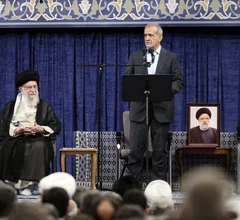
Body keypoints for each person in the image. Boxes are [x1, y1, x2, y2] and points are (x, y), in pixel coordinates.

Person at [125, 23, 184, 181]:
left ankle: (158, 188)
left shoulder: (171, 57)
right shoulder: (135, 56)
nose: (147, 38)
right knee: (136, 152)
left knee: (159, 152)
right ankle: (134, 190)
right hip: (139, 109)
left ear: (160, 37)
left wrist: (163, 90)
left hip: (162, 109)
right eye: (145, 35)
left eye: (150, 35)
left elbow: (179, 82)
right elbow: (127, 80)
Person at [0, 69, 61, 195]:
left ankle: (30, 185)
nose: (33, 90)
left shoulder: (44, 106)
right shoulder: (11, 106)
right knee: (7, 146)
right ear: (21, 89)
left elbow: (55, 125)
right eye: (29, 88)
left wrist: (41, 128)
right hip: (16, 137)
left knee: (38, 146)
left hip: (38, 137)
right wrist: (18, 130)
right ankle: (12, 184)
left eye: (35, 87)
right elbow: (4, 125)